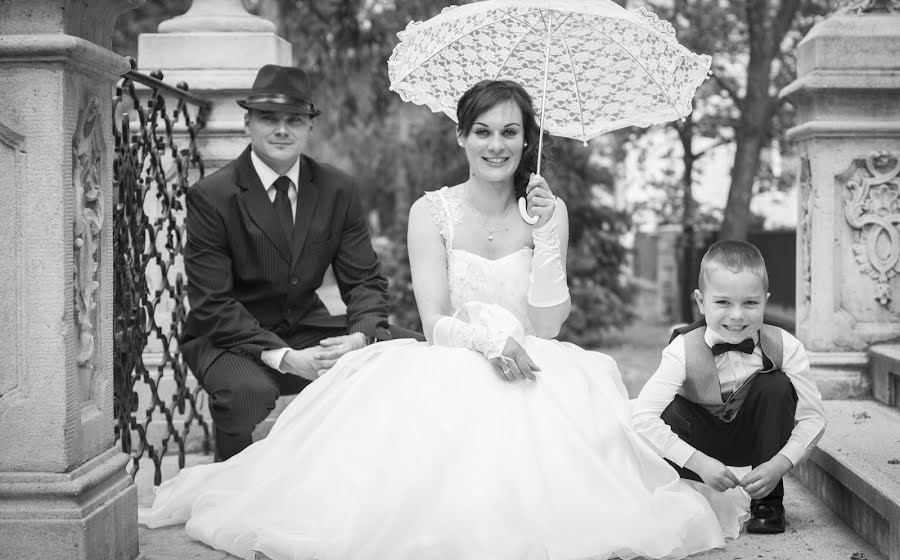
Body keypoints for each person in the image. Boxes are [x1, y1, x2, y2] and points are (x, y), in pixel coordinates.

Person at [141, 80, 749, 560]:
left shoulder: (548, 211)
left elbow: (551, 325)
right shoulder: (431, 212)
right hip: (455, 355)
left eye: (511, 132)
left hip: (537, 361)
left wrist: (548, 237)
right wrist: (487, 342)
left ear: (527, 140)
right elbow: (432, 321)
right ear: (461, 137)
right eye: (482, 131)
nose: (496, 145)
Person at [180, 64, 417, 461]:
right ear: (248, 123)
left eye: (294, 120)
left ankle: (368, 470)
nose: (282, 130)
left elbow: (364, 282)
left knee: (411, 352)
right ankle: (229, 484)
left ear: (309, 127)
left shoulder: (336, 188)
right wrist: (288, 359)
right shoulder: (212, 196)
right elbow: (212, 305)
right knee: (247, 394)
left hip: (306, 325)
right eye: (269, 119)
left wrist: (359, 338)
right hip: (229, 337)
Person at [632, 240, 827, 534]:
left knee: (776, 386)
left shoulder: (787, 346)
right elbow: (643, 418)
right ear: (700, 302)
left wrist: (779, 464)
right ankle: (686, 496)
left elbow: (814, 417)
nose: (737, 315)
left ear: (765, 300)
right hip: (698, 441)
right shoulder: (682, 350)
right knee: (668, 409)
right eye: (723, 302)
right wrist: (699, 461)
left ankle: (768, 504)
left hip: (756, 439)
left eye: (750, 303)